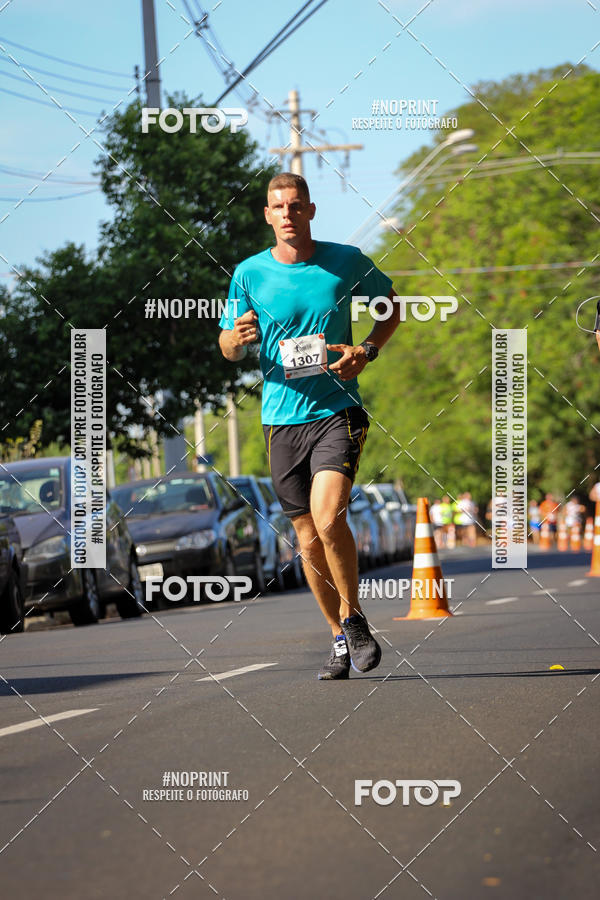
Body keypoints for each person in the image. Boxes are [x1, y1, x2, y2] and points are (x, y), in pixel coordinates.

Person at [218, 172, 400, 680]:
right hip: (281, 420)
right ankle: (339, 637)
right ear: (267, 215)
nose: (288, 215)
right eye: (279, 207)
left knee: (327, 516)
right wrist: (236, 337)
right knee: (305, 538)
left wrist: (366, 350)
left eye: (296, 206)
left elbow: (391, 310)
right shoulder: (248, 274)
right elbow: (228, 348)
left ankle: (355, 616)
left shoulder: (346, 261)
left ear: (311, 211)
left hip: (337, 412)